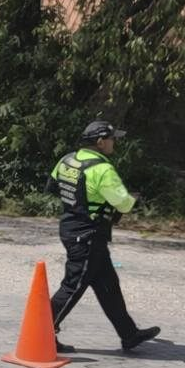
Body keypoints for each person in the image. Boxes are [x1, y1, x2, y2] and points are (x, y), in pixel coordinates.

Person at [46, 121, 159, 352]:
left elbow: (52, 186)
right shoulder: (102, 169)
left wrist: (80, 201)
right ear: (100, 142)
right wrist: (132, 198)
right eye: (111, 138)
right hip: (88, 235)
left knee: (108, 285)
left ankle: (129, 334)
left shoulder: (67, 160)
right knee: (73, 285)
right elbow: (123, 204)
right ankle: (41, 332)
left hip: (72, 227)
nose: (114, 142)